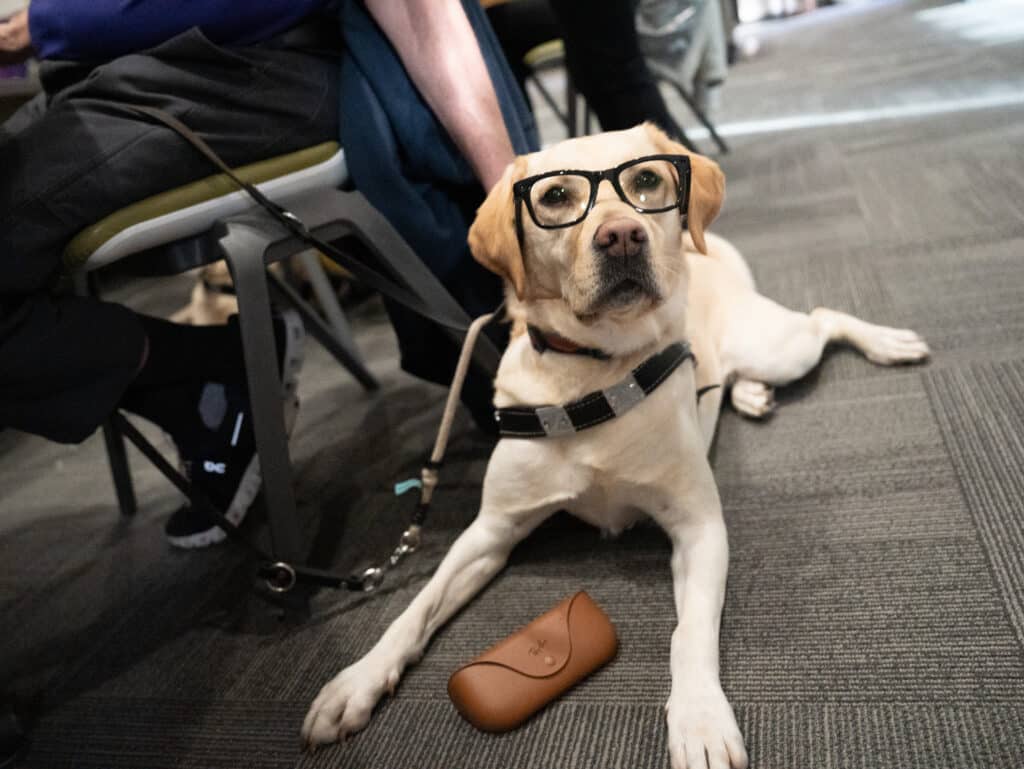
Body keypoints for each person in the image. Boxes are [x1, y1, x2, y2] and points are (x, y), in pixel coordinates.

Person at [0, 0, 518, 550]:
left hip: (244, 70)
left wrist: (50, 22)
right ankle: (209, 377)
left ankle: (211, 376)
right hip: (115, 74)